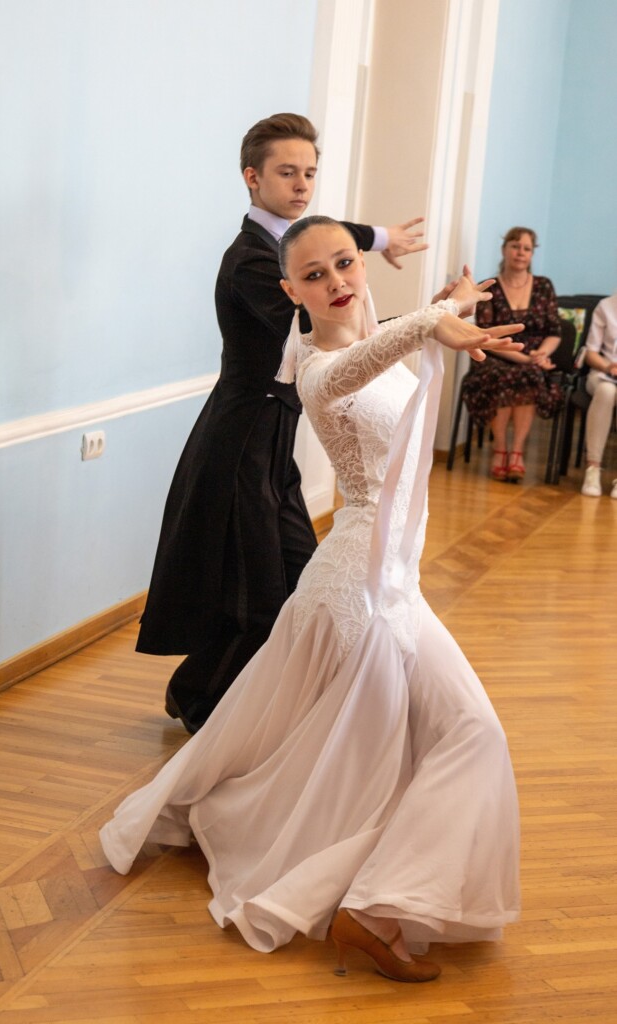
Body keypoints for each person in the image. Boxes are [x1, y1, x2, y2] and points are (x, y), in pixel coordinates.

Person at [100, 216, 523, 982]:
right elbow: (364, 359)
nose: (335, 282)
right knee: (458, 735)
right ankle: (373, 909)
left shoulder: (377, 338)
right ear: (290, 291)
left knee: (407, 743)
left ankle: (371, 893)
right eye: (314, 275)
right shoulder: (315, 369)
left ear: (362, 265)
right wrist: (434, 320)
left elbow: (385, 340)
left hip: (389, 584)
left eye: (345, 263)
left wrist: (449, 302)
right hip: (359, 596)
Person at [136, 113, 428, 734]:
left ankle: (220, 696)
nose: (302, 185)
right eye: (287, 173)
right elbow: (332, 331)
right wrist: (433, 320)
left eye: (310, 173)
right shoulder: (252, 260)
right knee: (263, 596)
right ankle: (202, 706)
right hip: (239, 443)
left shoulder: (290, 248)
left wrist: (381, 239)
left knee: (301, 578)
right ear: (253, 178)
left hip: (273, 442)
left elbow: (333, 244)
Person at [461, 226, 563, 481]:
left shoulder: (543, 285)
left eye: (526, 248)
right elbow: (487, 335)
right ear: (504, 249)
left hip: (533, 356)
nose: (520, 252)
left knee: (529, 375)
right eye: (515, 246)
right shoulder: (490, 287)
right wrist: (527, 358)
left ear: (532, 254)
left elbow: (554, 331)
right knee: (502, 376)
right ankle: (500, 450)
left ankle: (516, 452)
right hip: (496, 355)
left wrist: (540, 354)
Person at [580, 291, 617, 497]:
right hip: (604, 373)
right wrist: (608, 367)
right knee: (606, 390)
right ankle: (593, 469)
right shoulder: (606, 306)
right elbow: (591, 353)